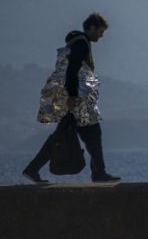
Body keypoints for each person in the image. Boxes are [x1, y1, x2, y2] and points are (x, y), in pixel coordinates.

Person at [23, 13, 120, 183]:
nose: (101, 36)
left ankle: (32, 169)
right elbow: (73, 70)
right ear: (91, 27)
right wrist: (73, 96)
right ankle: (99, 173)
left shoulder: (76, 42)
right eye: (100, 31)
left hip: (73, 97)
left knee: (63, 136)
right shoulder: (81, 44)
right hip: (78, 99)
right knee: (93, 134)